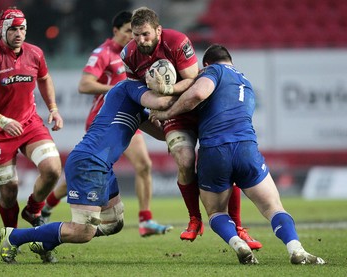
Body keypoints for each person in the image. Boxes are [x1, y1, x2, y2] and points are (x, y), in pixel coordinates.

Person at [149, 44, 326, 265]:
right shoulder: (246, 82)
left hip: (215, 151)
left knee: (215, 212)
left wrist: (167, 113)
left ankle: (238, 244)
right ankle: (296, 249)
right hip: (246, 149)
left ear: (206, 65)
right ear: (230, 60)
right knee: (273, 207)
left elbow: (198, 93)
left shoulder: (213, 71)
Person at [121, 6, 262, 249]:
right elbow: (133, 88)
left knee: (226, 160)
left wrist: (167, 90)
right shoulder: (129, 54)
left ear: (158, 30)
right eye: (136, 35)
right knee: (184, 160)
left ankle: (239, 225)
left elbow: (191, 79)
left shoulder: (177, 42)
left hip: (198, 110)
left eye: (145, 34)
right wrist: (153, 102)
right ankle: (195, 219)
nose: (140, 40)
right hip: (173, 116)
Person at [0, 79, 177, 264]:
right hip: (88, 163)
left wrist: (169, 120)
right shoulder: (128, 87)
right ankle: (14, 236)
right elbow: (162, 103)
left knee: (114, 223)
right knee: (82, 232)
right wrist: (180, 93)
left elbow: (163, 134)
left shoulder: (137, 111)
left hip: (102, 166)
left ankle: (44, 243)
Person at [40, 11, 172, 237]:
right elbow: (84, 85)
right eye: (129, 31)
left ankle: (145, 220)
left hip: (130, 114)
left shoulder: (136, 54)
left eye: (137, 32)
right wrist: (119, 90)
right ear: (116, 31)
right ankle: (48, 207)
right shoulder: (103, 54)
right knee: (90, 170)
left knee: (143, 166)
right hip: (106, 117)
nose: (134, 37)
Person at [0, 7, 62, 235]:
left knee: (52, 170)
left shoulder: (35, 53)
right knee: (9, 190)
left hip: (29, 124)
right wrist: (1, 120)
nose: (18, 33)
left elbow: (45, 78)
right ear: (2, 30)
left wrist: (53, 108)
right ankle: (11, 237)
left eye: (22, 29)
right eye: (12, 29)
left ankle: (33, 210)